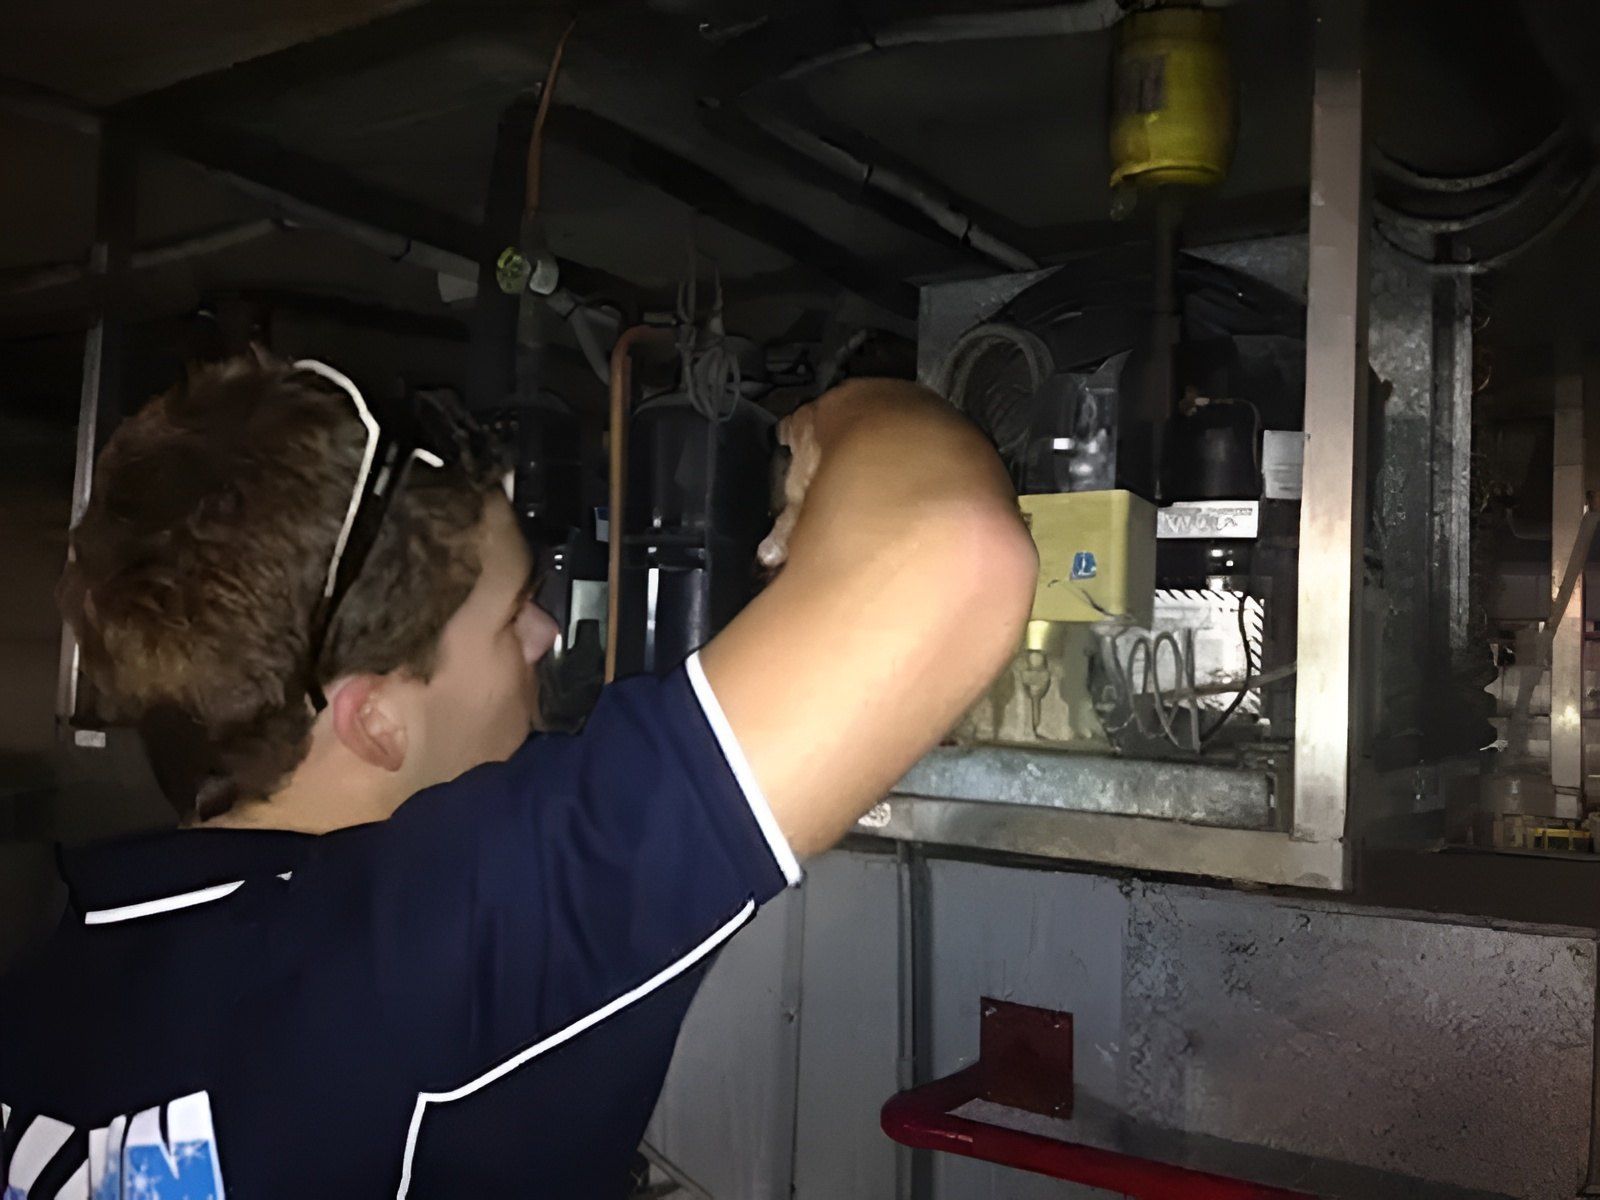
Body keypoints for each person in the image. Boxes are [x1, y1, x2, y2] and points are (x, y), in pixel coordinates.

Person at [0, 351, 1036, 1197]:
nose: (545, 635)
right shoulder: (411, 961)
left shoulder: (55, 982)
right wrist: (853, 411)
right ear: (374, 724)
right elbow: (950, 552)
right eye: (509, 616)